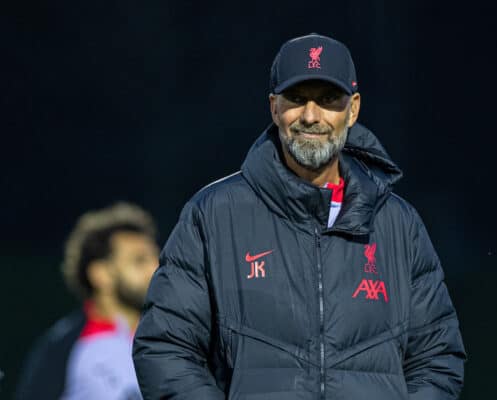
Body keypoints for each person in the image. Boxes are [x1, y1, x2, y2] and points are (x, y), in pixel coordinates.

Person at [133, 33, 466, 399]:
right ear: (274, 108)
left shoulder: (399, 225)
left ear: (353, 109)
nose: (311, 116)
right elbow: (165, 349)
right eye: (296, 98)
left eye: (327, 100)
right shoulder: (212, 215)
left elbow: (437, 358)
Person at [15, 202, 159, 400]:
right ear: (100, 274)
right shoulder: (64, 346)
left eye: (156, 259)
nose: (156, 269)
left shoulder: (172, 337)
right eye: (139, 261)